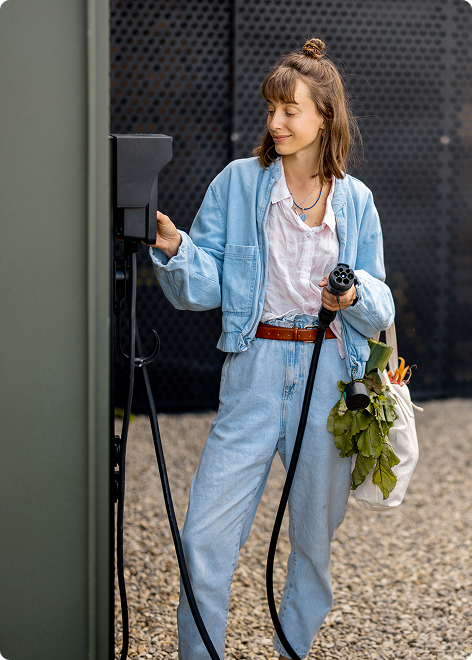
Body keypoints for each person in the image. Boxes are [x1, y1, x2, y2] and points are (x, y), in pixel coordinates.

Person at [149, 37, 394, 660]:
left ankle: (293, 651)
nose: (275, 122)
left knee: (312, 546)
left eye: (290, 110)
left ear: (324, 118)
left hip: (328, 372)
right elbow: (206, 284)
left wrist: (352, 295)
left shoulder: (356, 200)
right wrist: (177, 250)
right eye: (270, 109)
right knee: (204, 539)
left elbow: (381, 303)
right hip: (254, 367)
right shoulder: (238, 183)